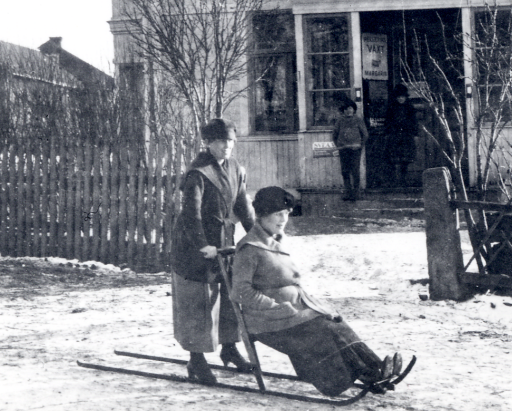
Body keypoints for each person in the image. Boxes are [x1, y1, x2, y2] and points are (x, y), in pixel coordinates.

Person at [231, 186, 404, 395]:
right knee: (323, 327)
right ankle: (362, 374)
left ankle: (375, 369)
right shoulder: (249, 248)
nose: (283, 219)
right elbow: (240, 292)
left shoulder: (277, 241)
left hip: (292, 313)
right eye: (277, 214)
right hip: (266, 320)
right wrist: (276, 307)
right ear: (262, 215)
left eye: (286, 213)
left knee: (334, 320)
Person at [171, 118, 256, 384]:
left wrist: (258, 237)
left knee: (230, 298)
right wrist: (201, 246)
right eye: (221, 141)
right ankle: (196, 360)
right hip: (195, 247)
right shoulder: (198, 172)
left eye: (230, 141)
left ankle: (229, 349)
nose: (227, 146)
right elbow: (190, 216)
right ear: (207, 143)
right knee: (200, 303)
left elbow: (243, 206)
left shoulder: (235, 168)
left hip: (224, 243)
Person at [383, 84, 419, 188]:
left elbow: (414, 122)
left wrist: (415, 134)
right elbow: (387, 122)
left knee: (405, 159)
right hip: (394, 136)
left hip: (406, 136)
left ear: (406, 97)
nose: (400, 99)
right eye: (398, 97)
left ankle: (403, 180)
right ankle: (394, 181)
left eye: (402, 97)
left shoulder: (410, 108)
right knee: (393, 159)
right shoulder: (391, 108)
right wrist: (388, 133)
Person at [332, 101, 368, 201]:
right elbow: (334, 134)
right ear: (343, 110)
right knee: (345, 171)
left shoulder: (358, 120)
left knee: (355, 171)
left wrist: (360, 146)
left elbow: (365, 134)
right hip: (343, 150)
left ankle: (356, 193)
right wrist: (339, 145)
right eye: (346, 109)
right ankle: (348, 193)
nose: (348, 111)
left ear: (354, 109)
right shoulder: (340, 120)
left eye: (350, 108)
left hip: (355, 150)